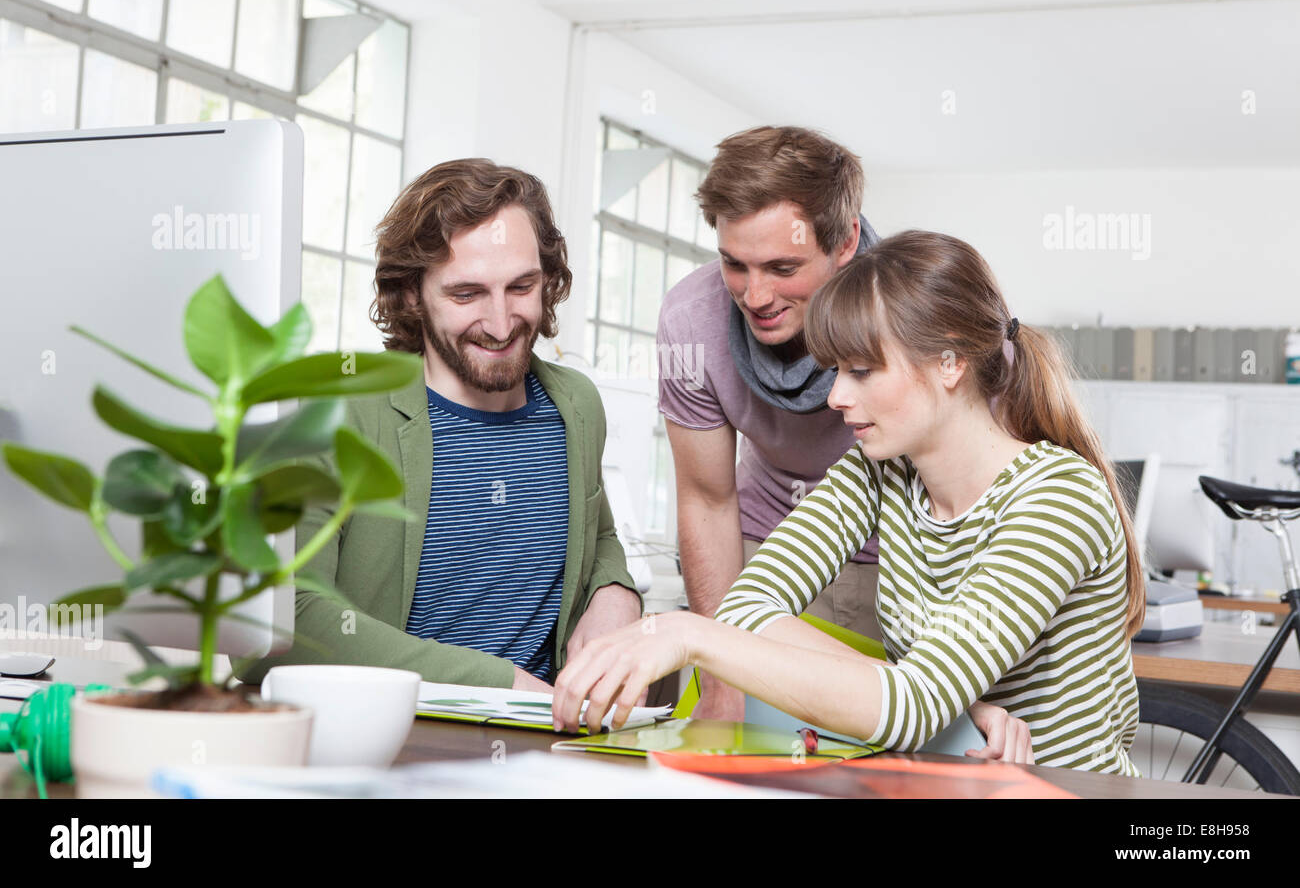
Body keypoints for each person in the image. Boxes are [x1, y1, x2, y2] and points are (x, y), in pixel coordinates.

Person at [554, 230, 1143, 774]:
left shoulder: (1059, 496)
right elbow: (746, 606)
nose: (836, 395)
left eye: (862, 370)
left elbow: (911, 706)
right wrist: (946, 710)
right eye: (835, 369)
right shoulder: (879, 470)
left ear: (951, 362)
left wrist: (689, 634)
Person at [235, 159, 642, 691]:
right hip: (391, 739)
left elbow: (601, 534)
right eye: (466, 294)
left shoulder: (576, 405)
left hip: (551, 750)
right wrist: (503, 685)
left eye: (521, 287)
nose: (501, 324)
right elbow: (282, 622)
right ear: (410, 294)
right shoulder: (334, 412)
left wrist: (617, 594)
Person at [657, 125, 884, 720]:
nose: (756, 295)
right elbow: (707, 499)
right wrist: (723, 671)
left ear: (846, 243)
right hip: (766, 555)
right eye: (736, 263)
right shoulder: (691, 320)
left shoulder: (915, 311)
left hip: (899, 561)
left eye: (783, 267)